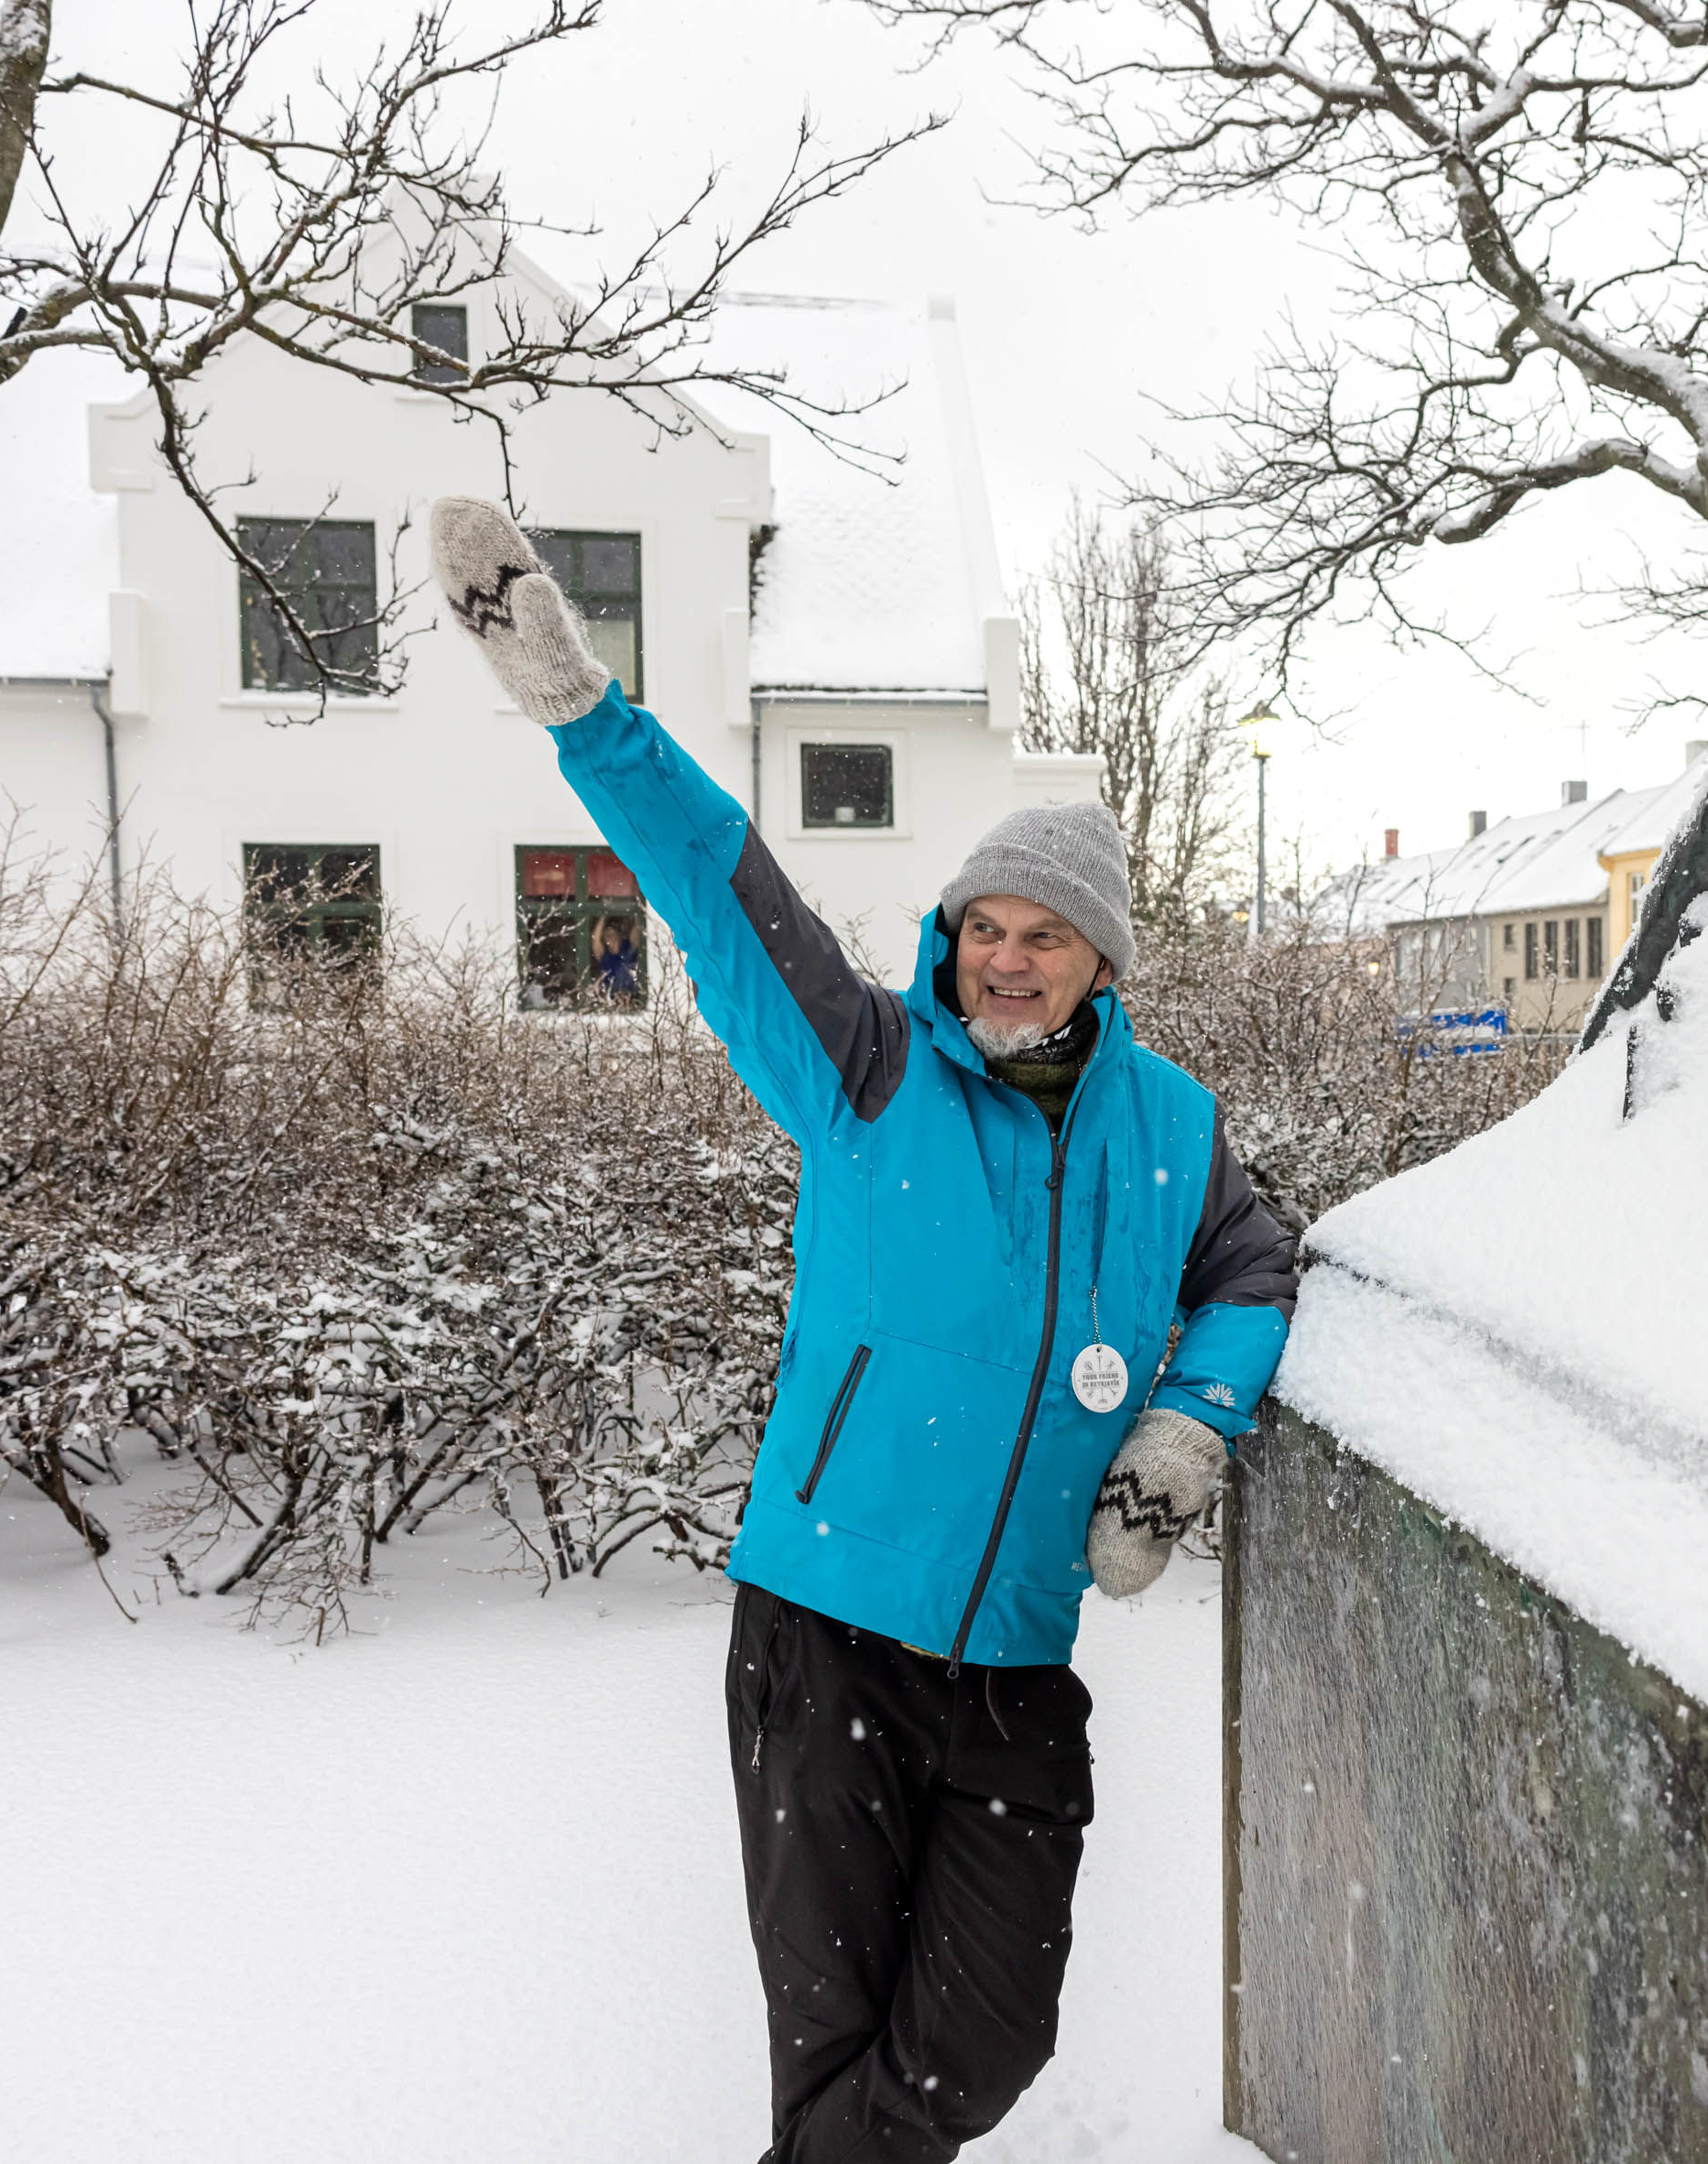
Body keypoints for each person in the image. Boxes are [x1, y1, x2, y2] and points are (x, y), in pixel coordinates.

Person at [430, 498, 1297, 2164]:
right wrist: (582, 712)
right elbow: (723, 893)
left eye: (1043, 934)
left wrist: (1188, 1422)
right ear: (951, 937)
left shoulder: (1170, 1124)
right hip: (826, 1624)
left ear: (1099, 959)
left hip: (1018, 1653)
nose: (1006, 958)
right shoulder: (870, 1067)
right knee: (831, 2035)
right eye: (984, 926)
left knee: (985, 2034)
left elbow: (1252, 1269)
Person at [589, 910, 643, 1004]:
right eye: (608, 935)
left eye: (614, 934)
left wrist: (637, 912)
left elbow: (637, 930)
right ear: (604, 939)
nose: (612, 938)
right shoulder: (604, 955)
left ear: (619, 935)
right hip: (611, 1000)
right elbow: (595, 939)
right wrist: (603, 915)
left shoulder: (628, 948)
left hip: (633, 999)